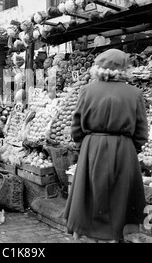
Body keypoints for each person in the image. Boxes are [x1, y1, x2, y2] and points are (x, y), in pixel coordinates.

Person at [63, 48, 148, 243]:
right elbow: (142, 131)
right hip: (124, 148)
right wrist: (130, 148)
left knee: (92, 193)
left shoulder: (87, 90)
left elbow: (76, 127)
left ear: (98, 68)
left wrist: (82, 147)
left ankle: (91, 235)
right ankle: (114, 236)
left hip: (92, 146)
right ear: (125, 69)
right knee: (119, 194)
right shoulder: (135, 93)